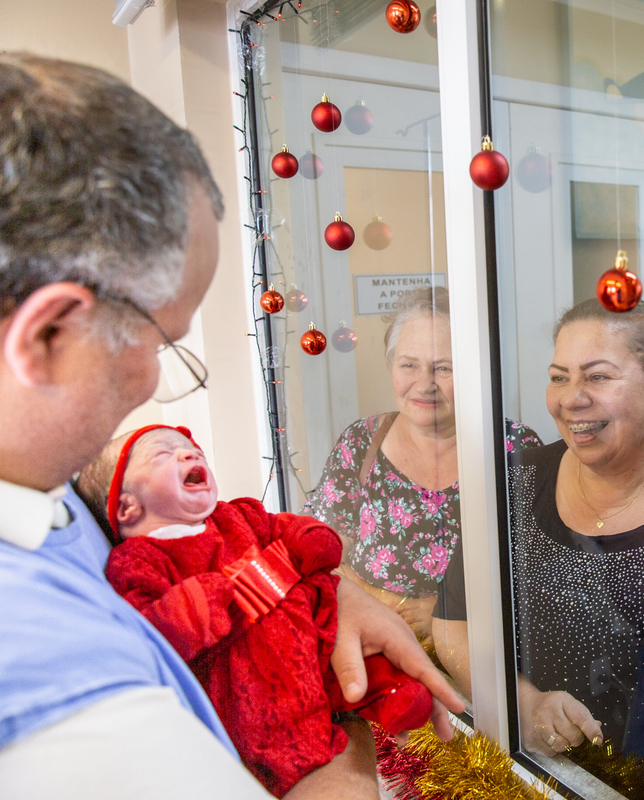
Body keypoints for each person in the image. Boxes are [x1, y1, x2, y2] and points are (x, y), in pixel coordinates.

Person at [0, 54, 461, 799]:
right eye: (161, 342)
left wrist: (329, 593)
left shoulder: (44, 501)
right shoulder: (66, 703)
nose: (153, 385)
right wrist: (346, 753)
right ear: (49, 334)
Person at [433, 299, 644, 786]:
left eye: (597, 377)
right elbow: (454, 625)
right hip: (539, 777)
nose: (571, 399)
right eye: (559, 377)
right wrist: (526, 705)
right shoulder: (516, 482)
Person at [75, 425, 432, 797]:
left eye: (191, 448)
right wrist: (199, 604)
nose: (190, 453)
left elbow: (278, 528)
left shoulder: (236, 515)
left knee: (337, 654)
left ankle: (388, 691)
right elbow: (148, 635)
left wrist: (306, 538)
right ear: (127, 507)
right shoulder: (137, 562)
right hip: (243, 702)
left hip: (302, 652)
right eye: (163, 454)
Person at [304, 287, 540, 644]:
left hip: (485, 657)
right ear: (392, 365)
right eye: (408, 365)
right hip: (377, 650)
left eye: (443, 367)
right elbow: (320, 552)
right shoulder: (361, 442)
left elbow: (541, 573)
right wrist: (382, 603)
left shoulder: (515, 449)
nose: (424, 384)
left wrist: (447, 615)